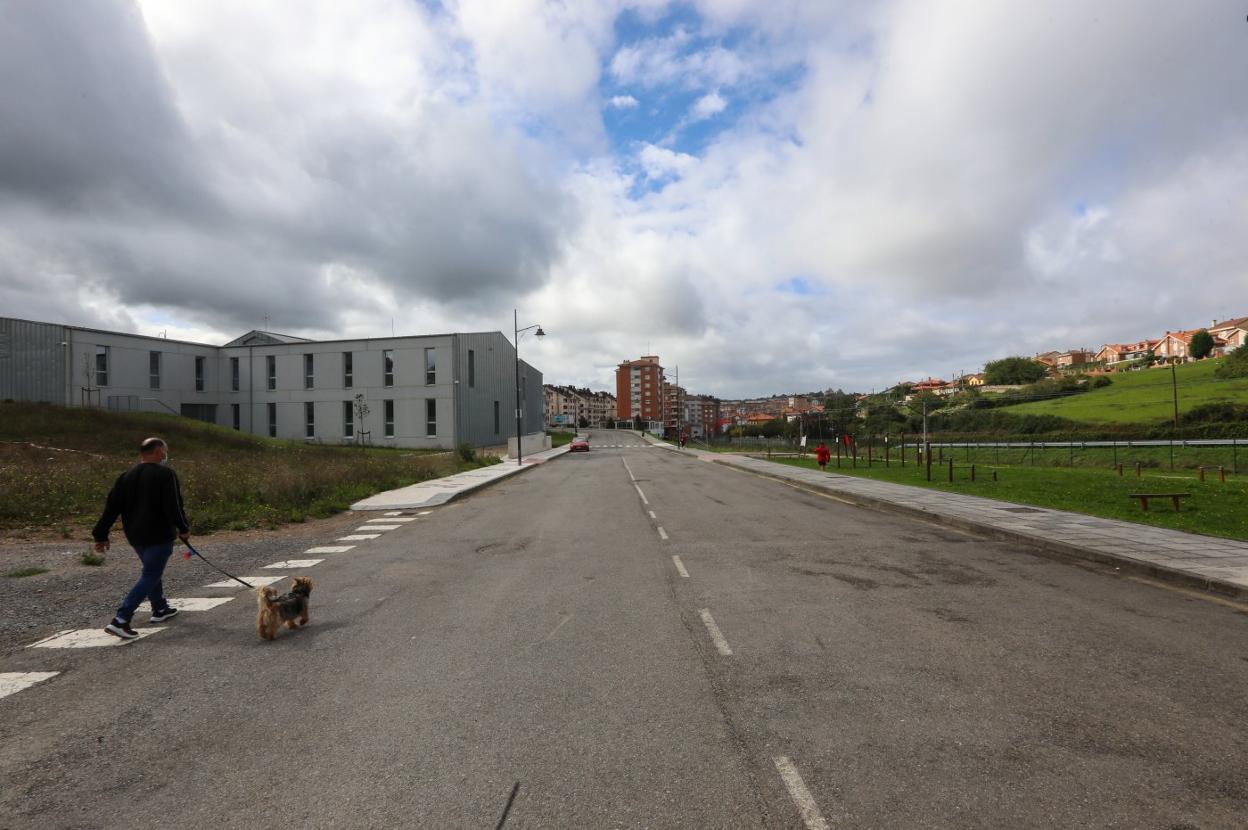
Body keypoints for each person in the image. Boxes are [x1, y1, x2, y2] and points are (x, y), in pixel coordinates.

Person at [92, 437, 191, 639]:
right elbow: (174, 505)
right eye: (165, 451)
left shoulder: (126, 476)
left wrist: (100, 534)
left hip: (135, 535)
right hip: (159, 533)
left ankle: (160, 608)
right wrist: (183, 527)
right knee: (151, 574)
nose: (165, 455)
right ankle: (121, 619)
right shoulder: (166, 474)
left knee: (151, 570)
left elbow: (112, 507)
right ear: (158, 452)